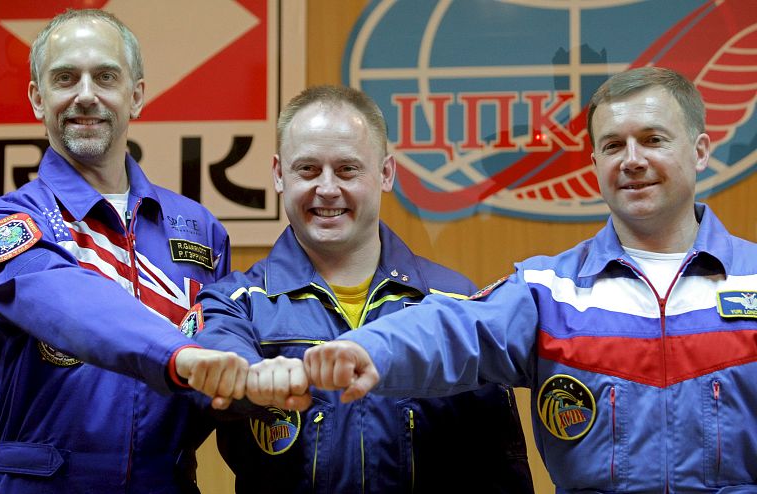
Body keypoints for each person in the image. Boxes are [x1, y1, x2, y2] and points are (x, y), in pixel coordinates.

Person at [296, 67, 757, 492]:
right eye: (613, 145)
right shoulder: (549, 291)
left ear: (699, 151)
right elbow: (453, 329)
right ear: (595, 160)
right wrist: (366, 349)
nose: (631, 160)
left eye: (653, 140)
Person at [189, 85, 534, 493]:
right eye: (308, 170)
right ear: (279, 174)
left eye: (348, 169)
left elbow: (499, 469)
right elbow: (211, 376)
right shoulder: (235, 305)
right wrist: (251, 379)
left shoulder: (456, 304)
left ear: (386, 173)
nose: (328, 188)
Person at [0, 9, 248, 493]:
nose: (86, 95)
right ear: (38, 98)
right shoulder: (7, 225)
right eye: (65, 77)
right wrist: (180, 356)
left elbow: (221, 362)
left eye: (106, 76)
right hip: (38, 482)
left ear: (136, 95)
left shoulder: (200, 231)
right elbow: (69, 303)